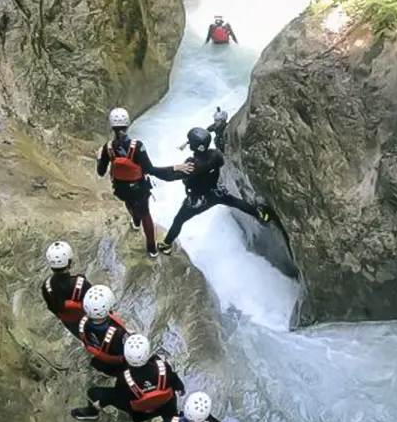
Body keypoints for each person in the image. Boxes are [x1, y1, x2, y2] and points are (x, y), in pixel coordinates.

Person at [155, 127, 271, 255]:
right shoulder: (215, 154)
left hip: (198, 200)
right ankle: (261, 214)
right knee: (235, 202)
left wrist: (151, 169)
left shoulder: (192, 164)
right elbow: (218, 164)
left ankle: (166, 245)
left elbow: (168, 177)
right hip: (215, 192)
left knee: (178, 220)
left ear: (194, 146)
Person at [71, 333, 183, 422]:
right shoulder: (163, 367)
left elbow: (119, 397)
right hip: (167, 407)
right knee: (159, 364)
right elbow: (177, 384)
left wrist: (100, 403)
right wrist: (180, 389)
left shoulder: (124, 378)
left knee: (93, 393)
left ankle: (92, 412)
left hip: (140, 414)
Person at [96, 107, 161, 257]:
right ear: (128, 124)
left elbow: (100, 172)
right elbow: (149, 168)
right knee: (146, 214)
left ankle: (135, 221)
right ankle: (152, 249)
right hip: (139, 187)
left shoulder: (108, 148)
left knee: (129, 203)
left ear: (112, 126)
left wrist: (100, 156)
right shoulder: (138, 146)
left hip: (120, 188)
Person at [74, 285, 130, 380]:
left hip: (101, 358)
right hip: (117, 363)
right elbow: (127, 354)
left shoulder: (83, 323)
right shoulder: (118, 333)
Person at [40, 241, 92, 332]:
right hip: (88, 321)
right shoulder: (81, 284)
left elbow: (52, 307)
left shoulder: (46, 286)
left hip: (69, 323)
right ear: (70, 262)